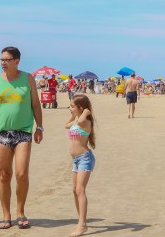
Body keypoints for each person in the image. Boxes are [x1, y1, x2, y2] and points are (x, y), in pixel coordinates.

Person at [0, 46, 44, 230]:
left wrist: (39, 127)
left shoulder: (28, 79)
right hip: (2, 133)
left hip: (23, 132)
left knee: (21, 173)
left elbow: (35, 104)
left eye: (7, 60)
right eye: (1, 59)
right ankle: (5, 214)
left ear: (17, 61)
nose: (3, 63)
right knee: (4, 175)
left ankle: (20, 212)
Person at [65, 94, 96, 237]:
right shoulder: (77, 121)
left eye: (72, 106)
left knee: (80, 190)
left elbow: (83, 118)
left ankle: (82, 225)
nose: (69, 108)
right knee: (74, 190)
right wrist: (74, 115)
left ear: (80, 108)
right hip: (76, 160)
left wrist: (86, 111)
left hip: (85, 158)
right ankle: (81, 220)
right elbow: (66, 125)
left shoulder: (85, 122)